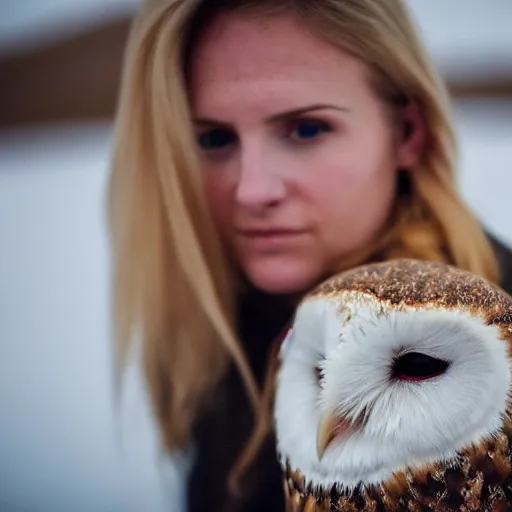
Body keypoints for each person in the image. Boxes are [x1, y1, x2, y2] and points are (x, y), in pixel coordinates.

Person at [107, 1, 512, 511]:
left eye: (306, 129)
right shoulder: (220, 318)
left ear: (408, 132)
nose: (252, 191)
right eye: (214, 138)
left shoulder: (496, 355)